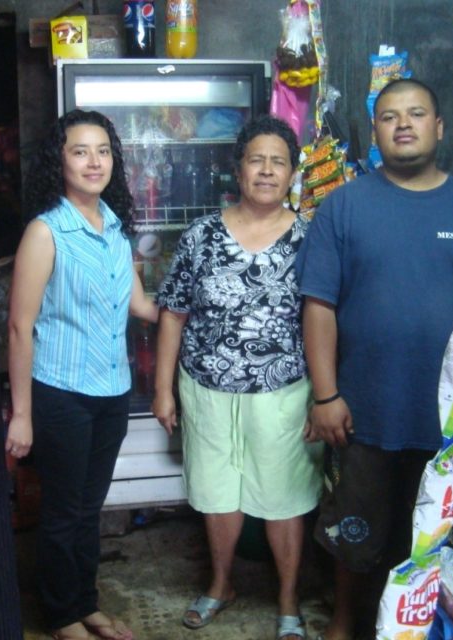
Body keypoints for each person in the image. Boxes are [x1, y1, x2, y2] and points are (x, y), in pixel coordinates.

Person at [294, 78, 453, 640]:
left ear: (440, 127)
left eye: (416, 113)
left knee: (445, 534)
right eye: (389, 117)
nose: (403, 124)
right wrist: (325, 395)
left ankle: (435, 626)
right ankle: (345, 622)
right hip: (367, 409)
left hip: (451, 415)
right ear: (376, 132)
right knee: (356, 532)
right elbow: (318, 306)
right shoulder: (344, 205)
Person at [152, 115, 322, 640]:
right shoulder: (201, 235)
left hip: (284, 392)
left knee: (284, 496)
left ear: (292, 173)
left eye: (278, 162)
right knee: (217, 492)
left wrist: (326, 396)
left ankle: (288, 599)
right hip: (205, 388)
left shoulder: (312, 238)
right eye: (256, 160)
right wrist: (162, 390)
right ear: (238, 169)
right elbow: (173, 313)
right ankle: (221, 583)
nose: (267, 171)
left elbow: (326, 321)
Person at [5, 109, 157, 640]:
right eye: (80, 151)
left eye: (103, 151)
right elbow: (20, 327)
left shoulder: (115, 229)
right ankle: (61, 616)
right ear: (61, 161)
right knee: (63, 512)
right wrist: (22, 415)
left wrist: (194, 303)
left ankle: (85, 603)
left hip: (112, 393)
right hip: (61, 393)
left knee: (89, 509)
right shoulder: (46, 232)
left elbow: (140, 305)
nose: (94, 162)